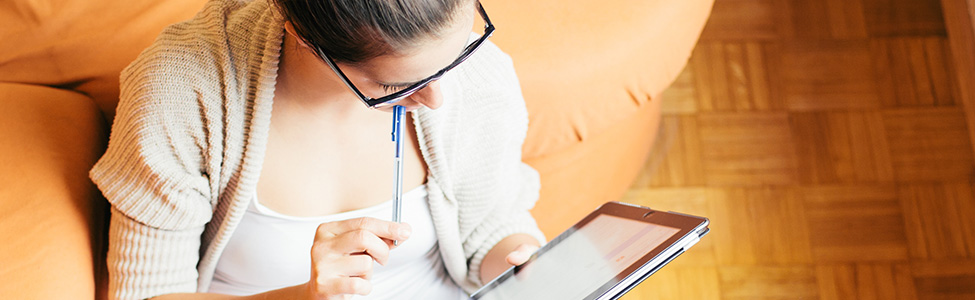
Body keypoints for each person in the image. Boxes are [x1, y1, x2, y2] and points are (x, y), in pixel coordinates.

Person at [89, 0, 546, 298]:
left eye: (457, 56)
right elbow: (147, 292)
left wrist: (519, 262)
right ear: (306, 39)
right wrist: (303, 296)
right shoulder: (182, 91)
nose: (438, 98)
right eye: (395, 85)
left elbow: (490, 225)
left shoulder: (479, 72)